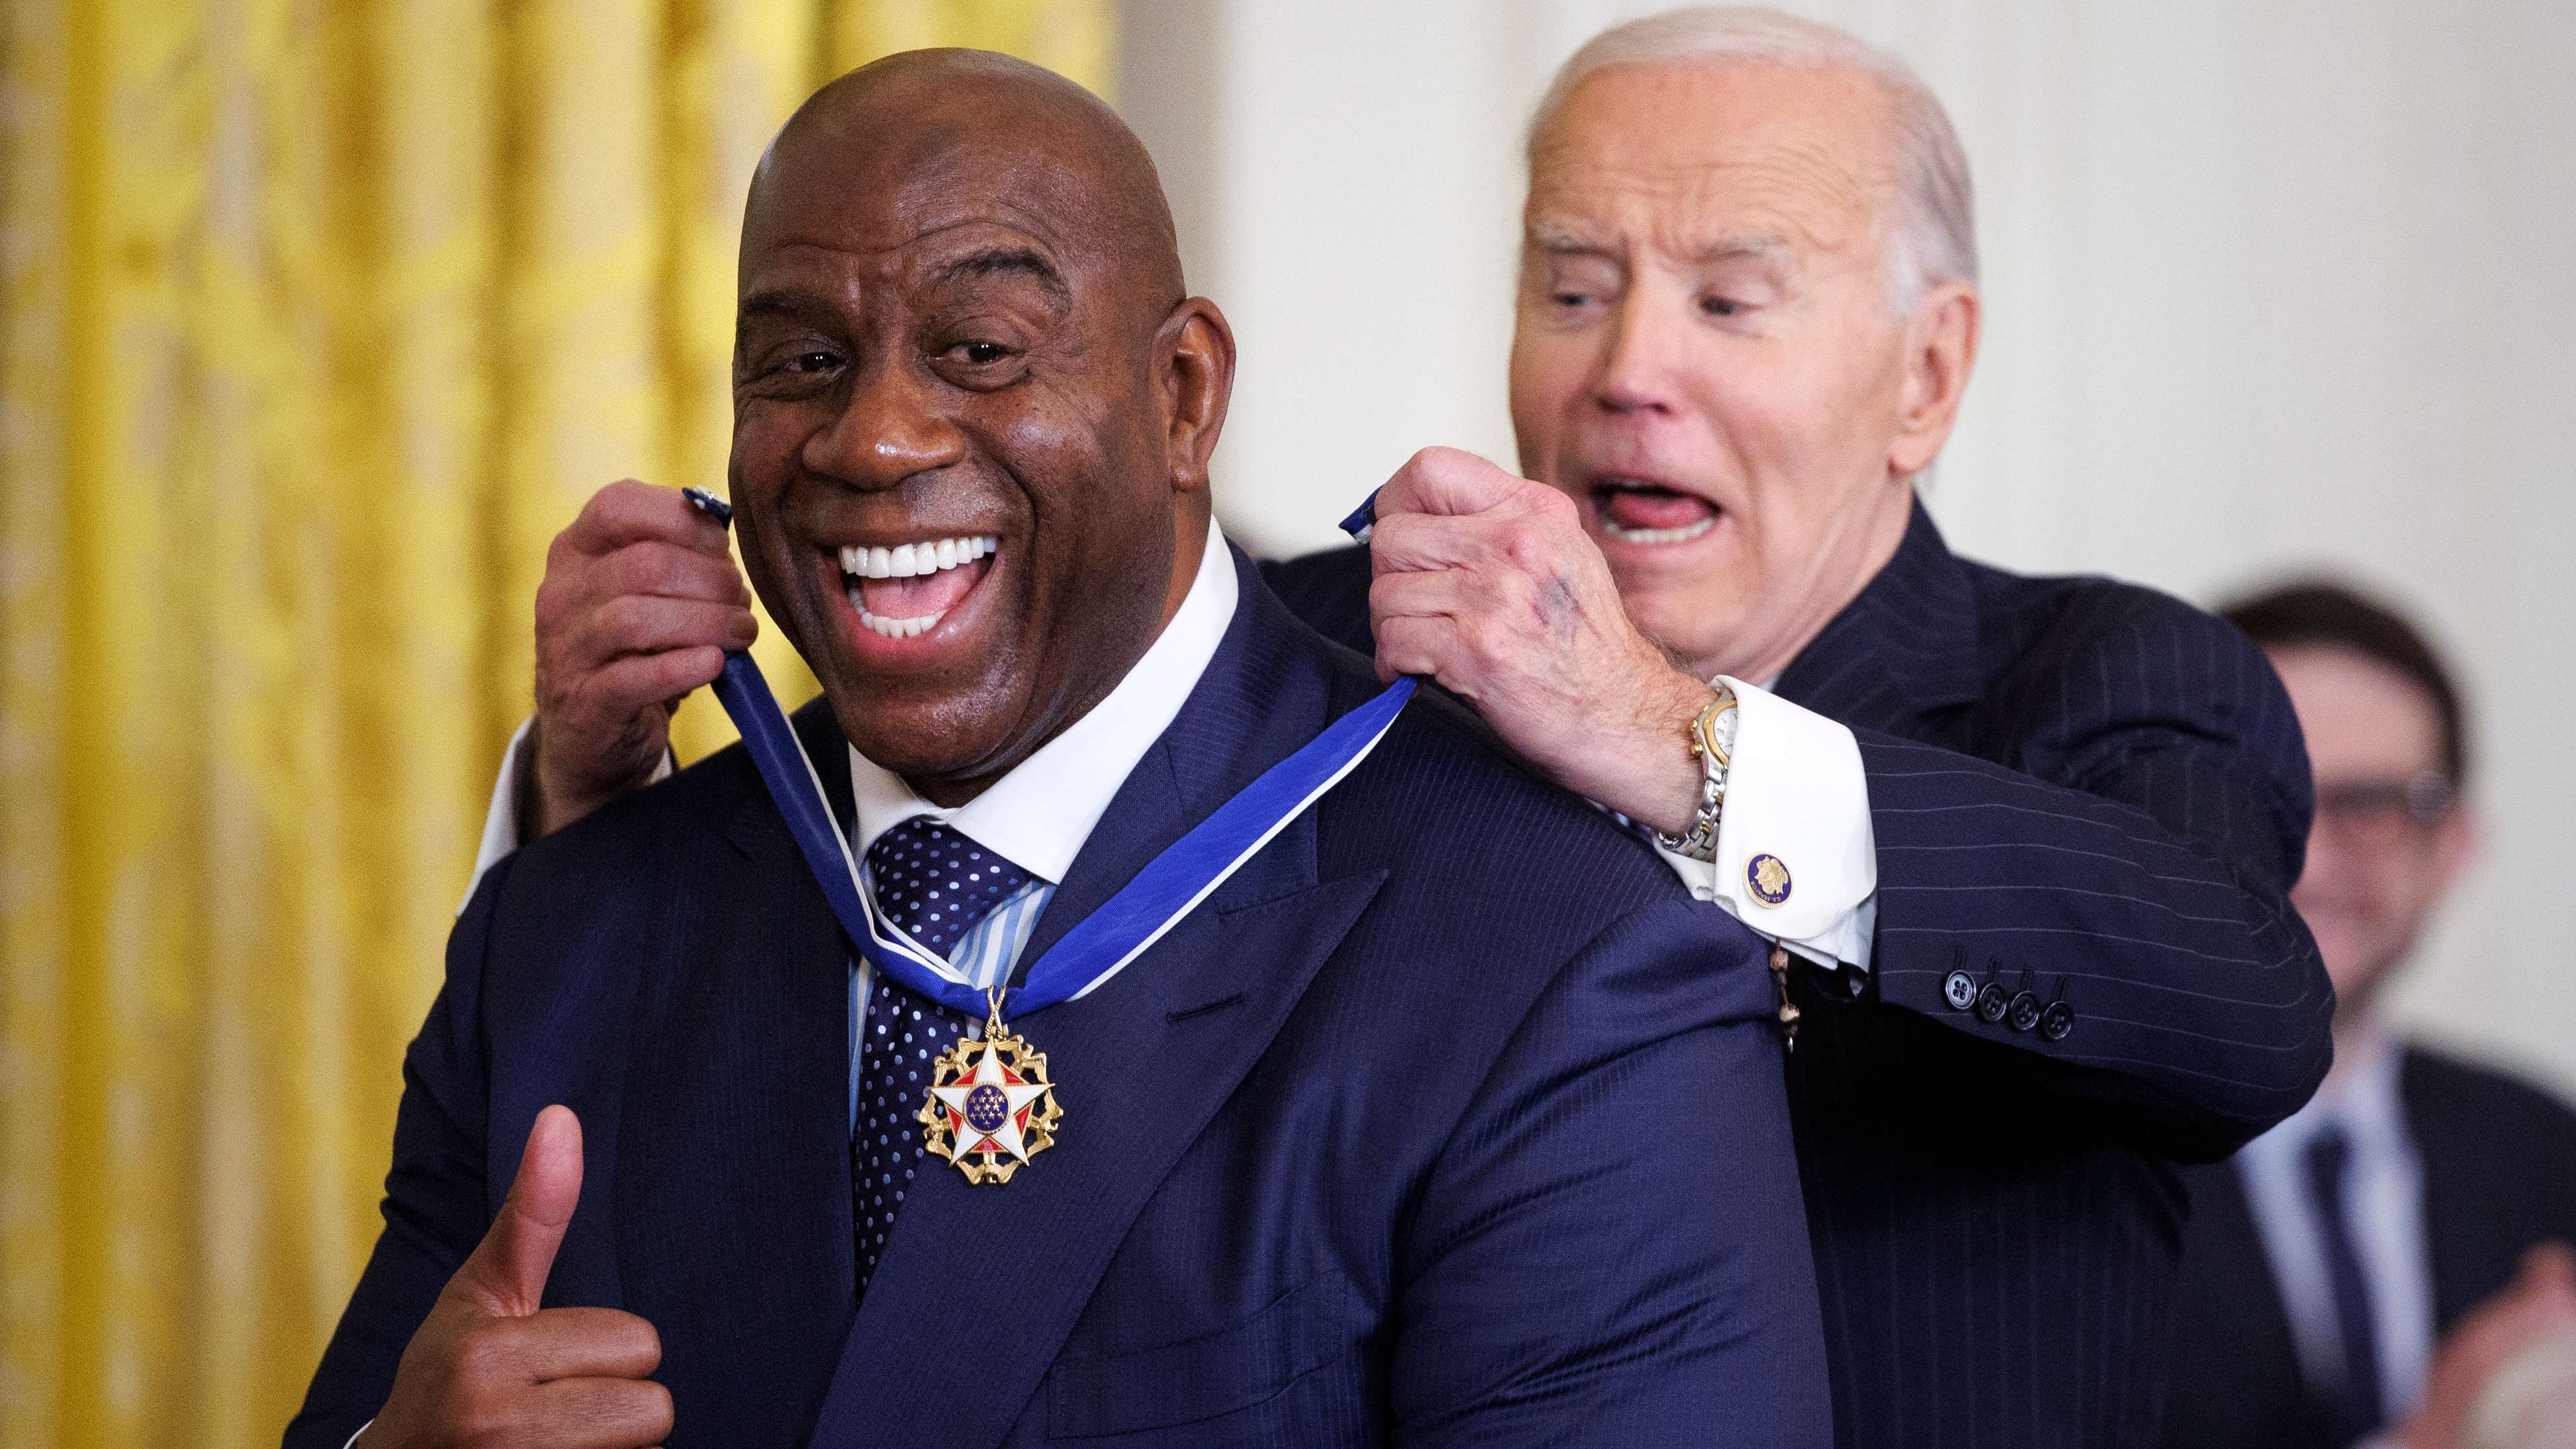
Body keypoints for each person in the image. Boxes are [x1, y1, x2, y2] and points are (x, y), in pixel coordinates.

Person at [487, 10, 2333, 1446]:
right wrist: (590, 791)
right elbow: (903, 817)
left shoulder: (2104, 682)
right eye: (1573, 283)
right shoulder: (1320, 654)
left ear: (1927, 371)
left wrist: (1667, 733)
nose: (1628, 368)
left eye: (1729, 299)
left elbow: (2239, 1007)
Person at [285, 49, 1830, 1449]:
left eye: (979, 348)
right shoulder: (564, 928)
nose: (873, 438)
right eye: (802, 362)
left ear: (1182, 395)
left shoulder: (1564, 963)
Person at [2160, 581, 2576, 1449]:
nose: (2309, 856)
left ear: (2454, 844)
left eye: (2374, 804)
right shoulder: (2047, 1165)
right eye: (2265, 797)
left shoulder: (2543, 1147)